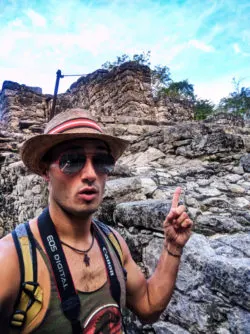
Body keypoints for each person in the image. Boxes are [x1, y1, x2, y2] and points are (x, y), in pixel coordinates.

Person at [0, 108, 193, 333]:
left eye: (102, 161)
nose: (90, 174)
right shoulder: (13, 261)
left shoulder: (113, 243)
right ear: (46, 171)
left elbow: (148, 306)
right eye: (72, 160)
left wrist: (172, 247)